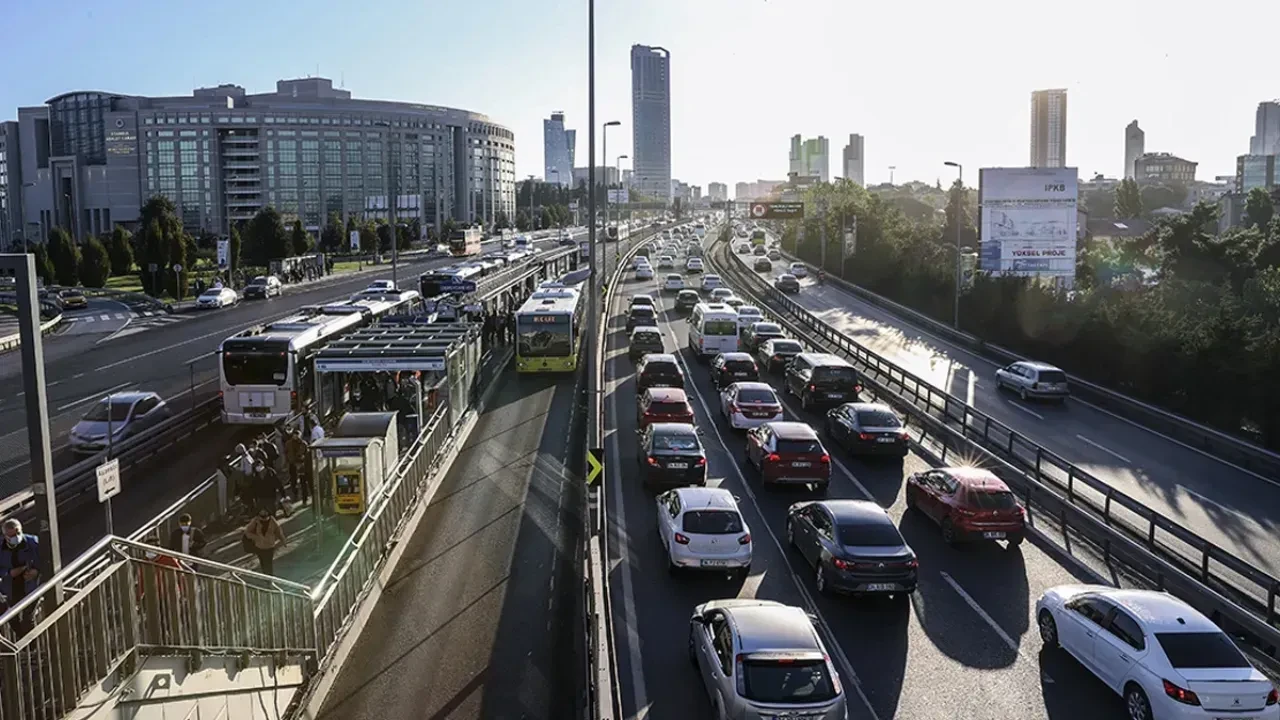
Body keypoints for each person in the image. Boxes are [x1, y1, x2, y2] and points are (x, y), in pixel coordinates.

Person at [1, 519, 41, 635]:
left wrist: (36, 571)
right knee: (12, 618)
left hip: (30, 586)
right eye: (12, 535)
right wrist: (8, 573)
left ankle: (32, 645)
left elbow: (44, 560)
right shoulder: (1, 547)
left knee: (28, 618)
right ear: (5, 536)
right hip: (10, 587)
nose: (16, 537)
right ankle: (23, 644)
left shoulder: (33, 542)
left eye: (18, 533)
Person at [243, 510, 286, 575]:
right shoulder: (255, 521)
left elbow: (278, 531)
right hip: (259, 546)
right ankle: (266, 576)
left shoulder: (272, 520)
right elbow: (247, 532)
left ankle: (269, 578)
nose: (263, 512)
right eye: (262, 511)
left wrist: (283, 540)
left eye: (265, 511)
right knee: (263, 563)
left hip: (269, 546)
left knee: (268, 563)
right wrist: (256, 537)